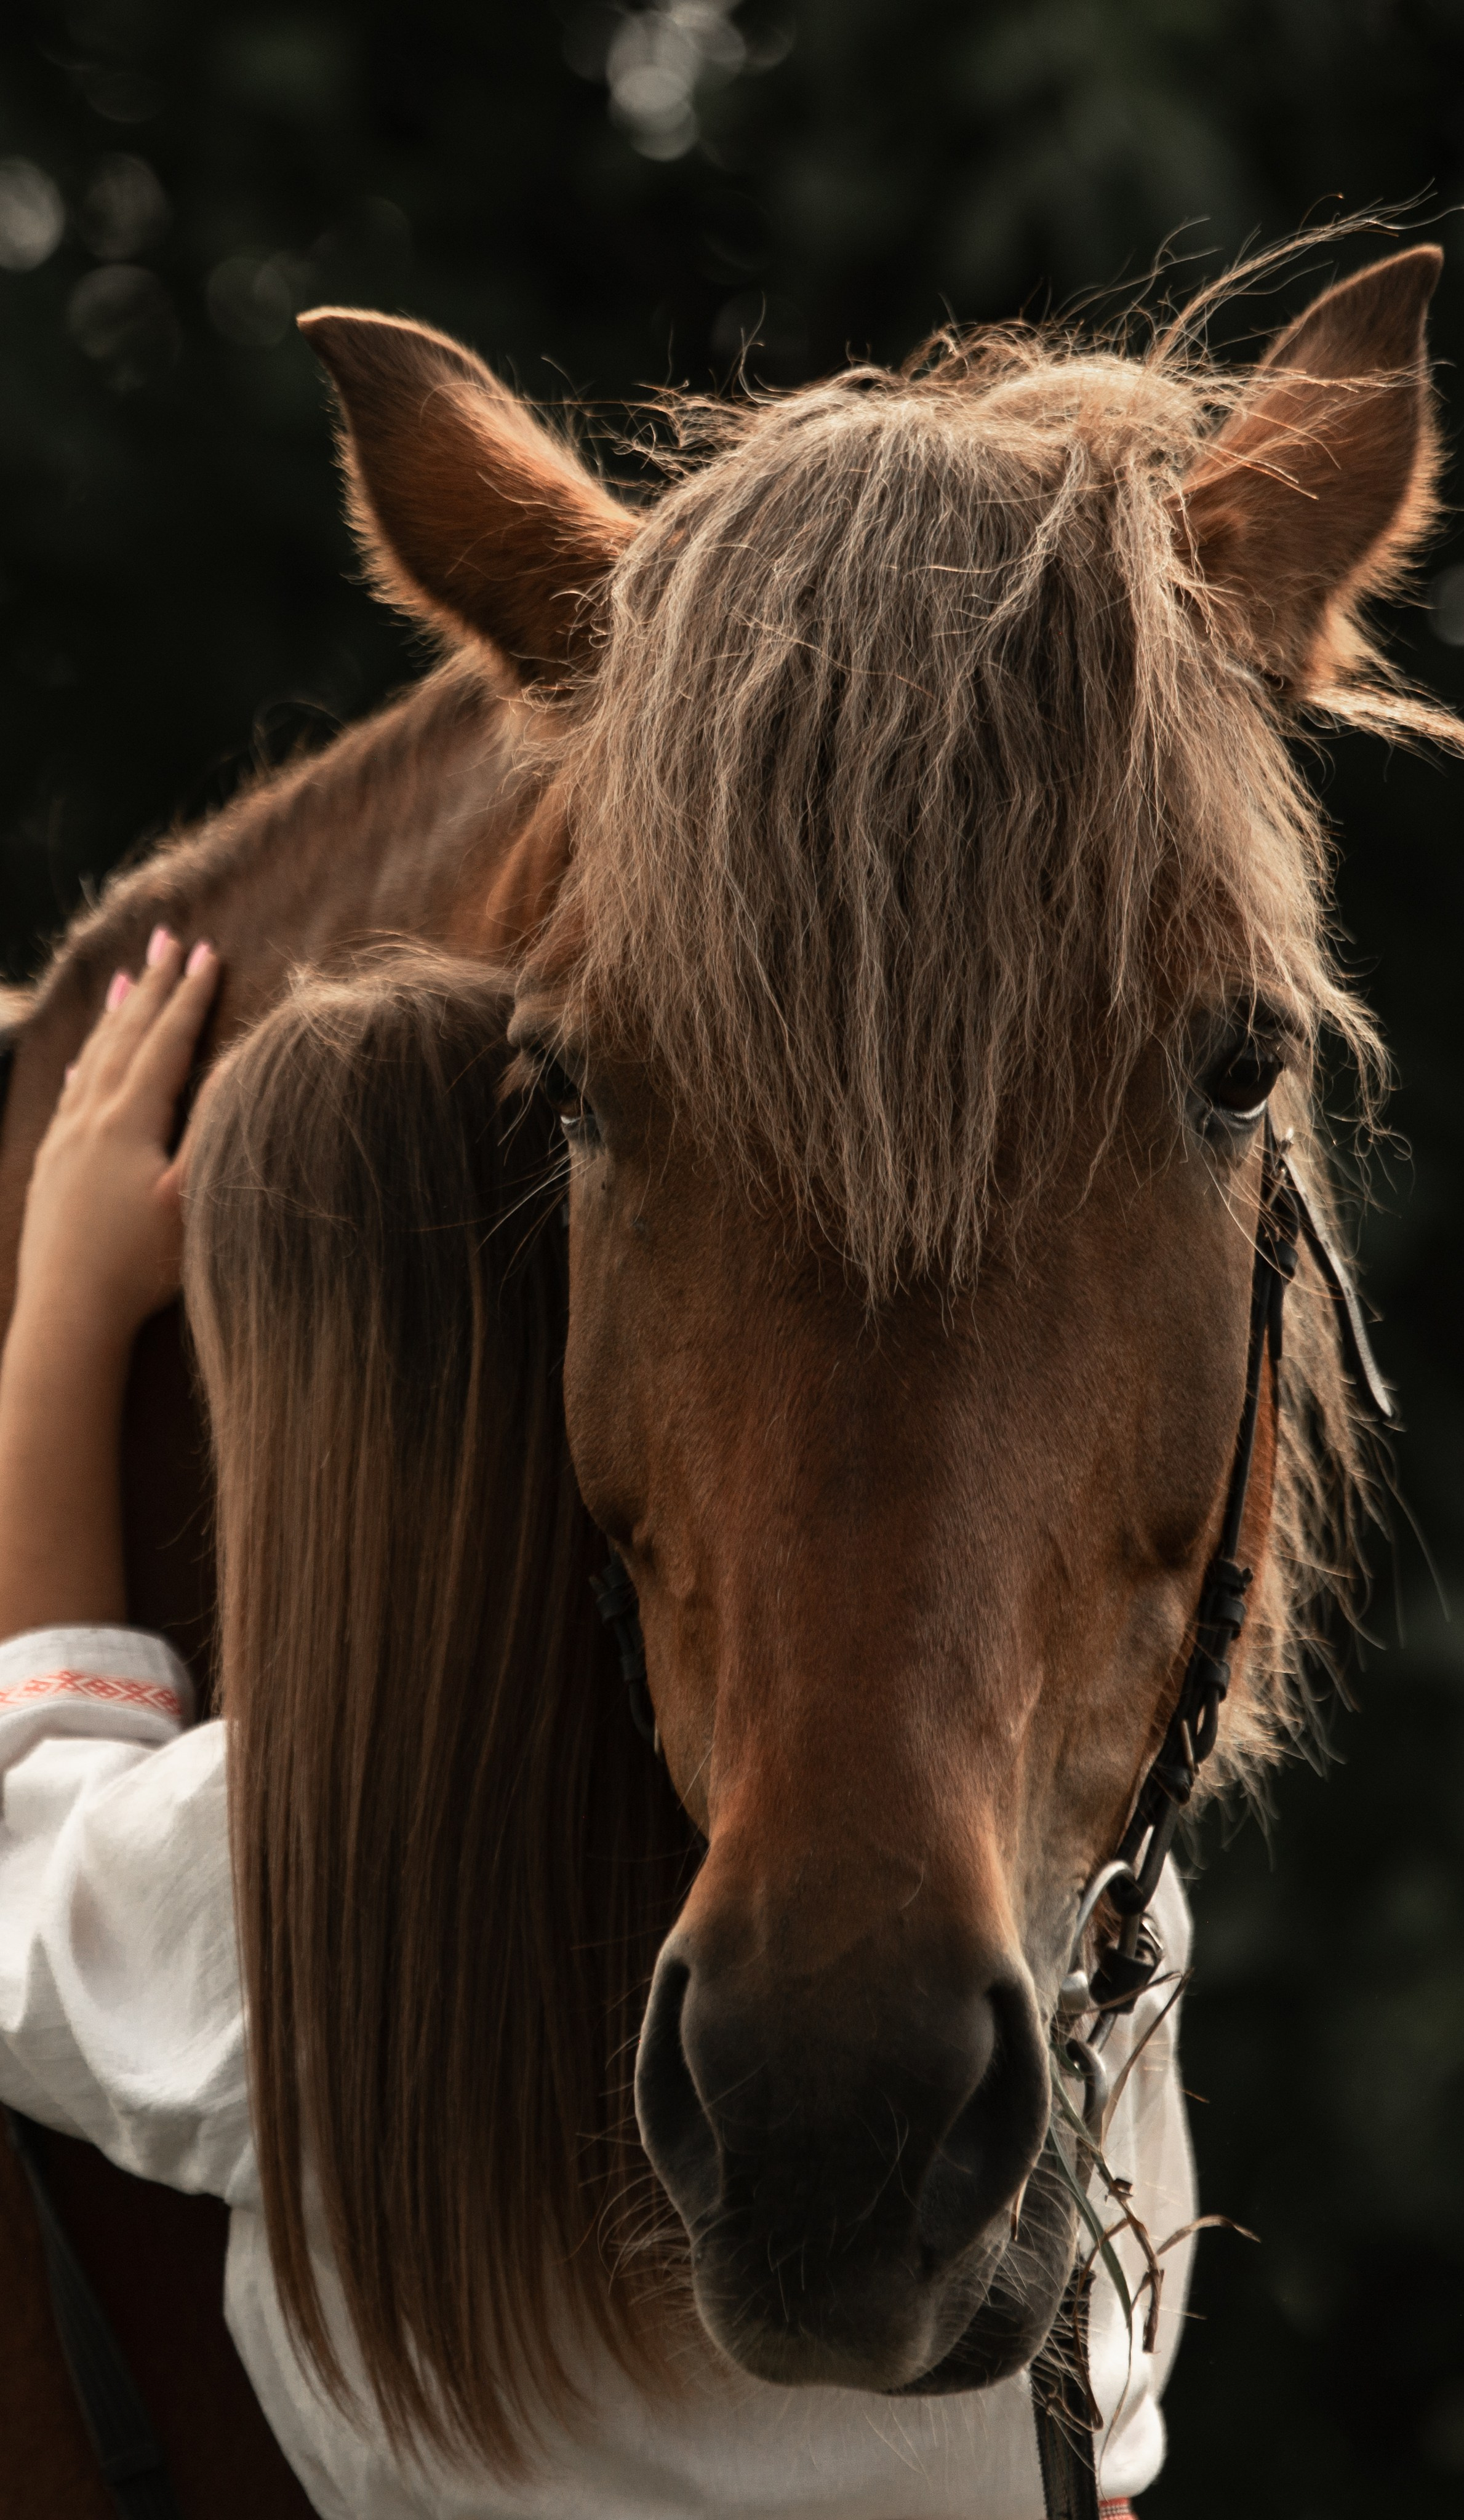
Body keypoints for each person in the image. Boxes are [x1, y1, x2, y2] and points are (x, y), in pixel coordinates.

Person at [0, 930, 1194, 2519]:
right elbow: (1110, 2394)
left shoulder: (262, 1912)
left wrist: (64, 1319)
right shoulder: (1057, 1898)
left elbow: (26, 1816)